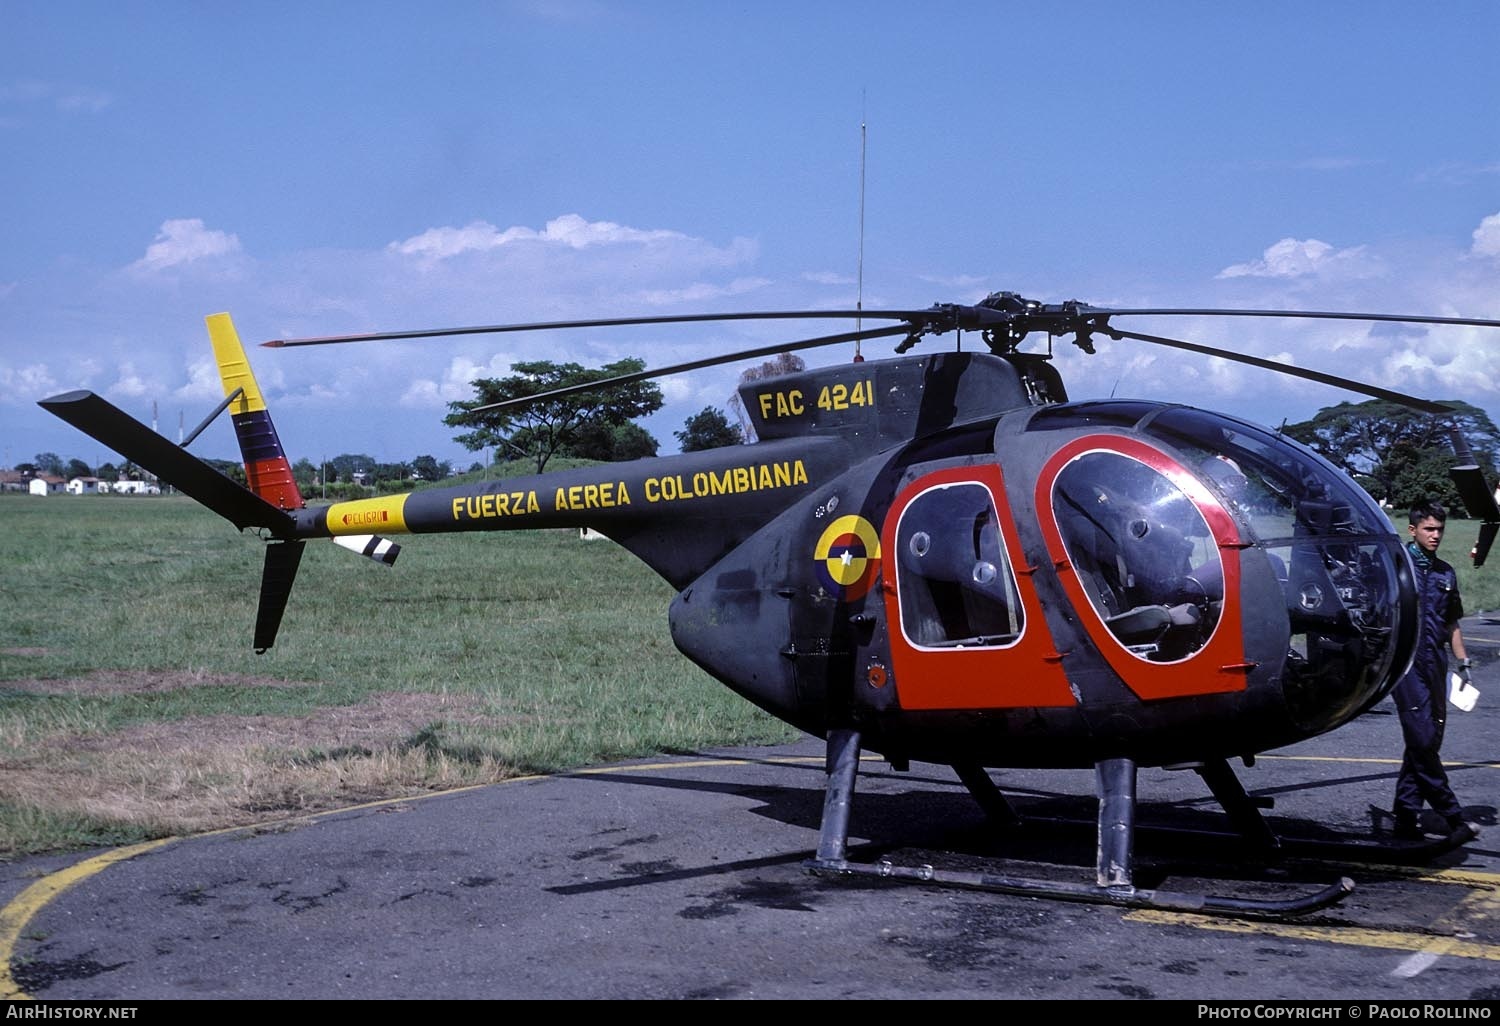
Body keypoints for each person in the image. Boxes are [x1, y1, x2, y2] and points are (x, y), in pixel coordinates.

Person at [1391, 499, 1480, 842]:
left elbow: (1451, 622)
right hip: (1407, 664)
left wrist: (1464, 662)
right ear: (1412, 530)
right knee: (1422, 738)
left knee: (1428, 740)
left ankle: (1405, 816)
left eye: (1440, 529)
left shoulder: (1445, 572)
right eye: (1429, 529)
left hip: (1437, 662)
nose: (1435, 535)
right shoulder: (1397, 567)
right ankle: (1452, 814)